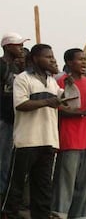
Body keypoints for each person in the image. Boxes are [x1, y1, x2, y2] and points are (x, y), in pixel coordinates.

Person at [1, 44, 62, 219]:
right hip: (27, 140)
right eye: (47, 57)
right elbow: (20, 104)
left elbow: (67, 101)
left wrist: (70, 86)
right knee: (16, 184)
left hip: (48, 139)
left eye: (52, 56)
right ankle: (8, 214)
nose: (51, 59)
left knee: (42, 187)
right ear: (35, 59)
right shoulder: (23, 79)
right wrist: (47, 102)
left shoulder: (52, 81)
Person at [51, 48, 86, 219]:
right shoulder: (62, 82)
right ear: (69, 63)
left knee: (83, 181)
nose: (84, 62)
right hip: (70, 137)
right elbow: (59, 109)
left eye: (85, 59)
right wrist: (83, 112)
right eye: (80, 59)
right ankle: (60, 212)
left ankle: (79, 214)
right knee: (66, 180)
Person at [0, 32, 29, 202]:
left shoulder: (19, 68)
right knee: (2, 162)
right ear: (7, 47)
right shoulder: (1, 65)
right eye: (18, 45)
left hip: (17, 119)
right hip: (3, 118)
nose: (21, 48)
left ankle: (8, 200)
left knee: (11, 163)